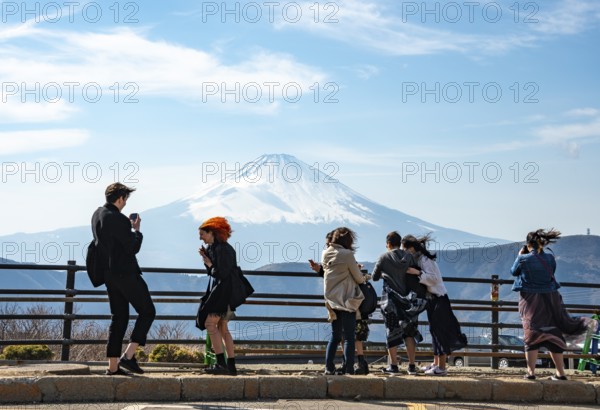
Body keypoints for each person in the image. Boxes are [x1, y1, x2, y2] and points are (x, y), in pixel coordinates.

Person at [510, 229, 597, 381]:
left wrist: (519, 255)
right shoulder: (550, 257)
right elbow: (552, 272)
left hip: (531, 300)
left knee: (532, 332)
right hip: (551, 299)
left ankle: (530, 373)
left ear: (528, 244)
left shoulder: (523, 259)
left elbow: (513, 271)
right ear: (542, 244)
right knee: (554, 332)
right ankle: (560, 373)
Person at [91, 182, 156, 375]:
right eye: (125, 199)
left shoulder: (97, 214)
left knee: (119, 318)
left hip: (109, 275)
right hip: (126, 274)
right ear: (120, 198)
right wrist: (136, 231)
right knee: (148, 311)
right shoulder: (118, 219)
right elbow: (132, 247)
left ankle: (112, 368)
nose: (126, 203)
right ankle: (128, 356)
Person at [402, 234, 467, 377]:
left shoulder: (425, 260)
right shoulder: (421, 259)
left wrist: (418, 273)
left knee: (440, 331)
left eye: (405, 249)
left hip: (439, 298)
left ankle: (442, 367)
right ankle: (436, 362)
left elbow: (434, 279)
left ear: (411, 248)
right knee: (433, 330)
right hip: (432, 299)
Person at [309, 230, 371, 375]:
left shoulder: (325, 253)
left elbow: (332, 272)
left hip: (331, 299)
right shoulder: (348, 254)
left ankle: (329, 367)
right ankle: (348, 368)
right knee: (349, 336)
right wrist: (365, 277)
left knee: (335, 336)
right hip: (346, 299)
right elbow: (358, 277)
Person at [372, 231, 426, 375]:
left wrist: (385, 273)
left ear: (388, 244)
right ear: (399, 243)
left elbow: (374, 277)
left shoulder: (383, 257)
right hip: (409, 302)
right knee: (409, 331)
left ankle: (394, 366)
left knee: (391, 330)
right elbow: (417, 272)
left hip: (391, 302)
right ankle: (412, 366)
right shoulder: (409, 256)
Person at [196, 217, 240, 376]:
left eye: (202, 234)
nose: (200, 237)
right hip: (227, 293)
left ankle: (221, 363)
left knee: (210, 324)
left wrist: (209, 264)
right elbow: (215, 271)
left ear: (211, 232)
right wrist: (207, 260)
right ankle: (231, 366)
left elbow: (220, 273)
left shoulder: (221, 249)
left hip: (222, 293)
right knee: (223, 327)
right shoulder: (220, 248)